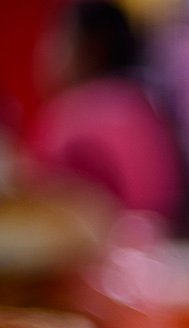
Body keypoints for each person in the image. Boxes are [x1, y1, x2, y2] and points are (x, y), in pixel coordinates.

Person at [26, 1, 180, 220]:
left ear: (92, 45)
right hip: (155, 246)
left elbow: (38, 208)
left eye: (57, 36)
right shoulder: (142, 106)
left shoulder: (70, 114)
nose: (45, 49)